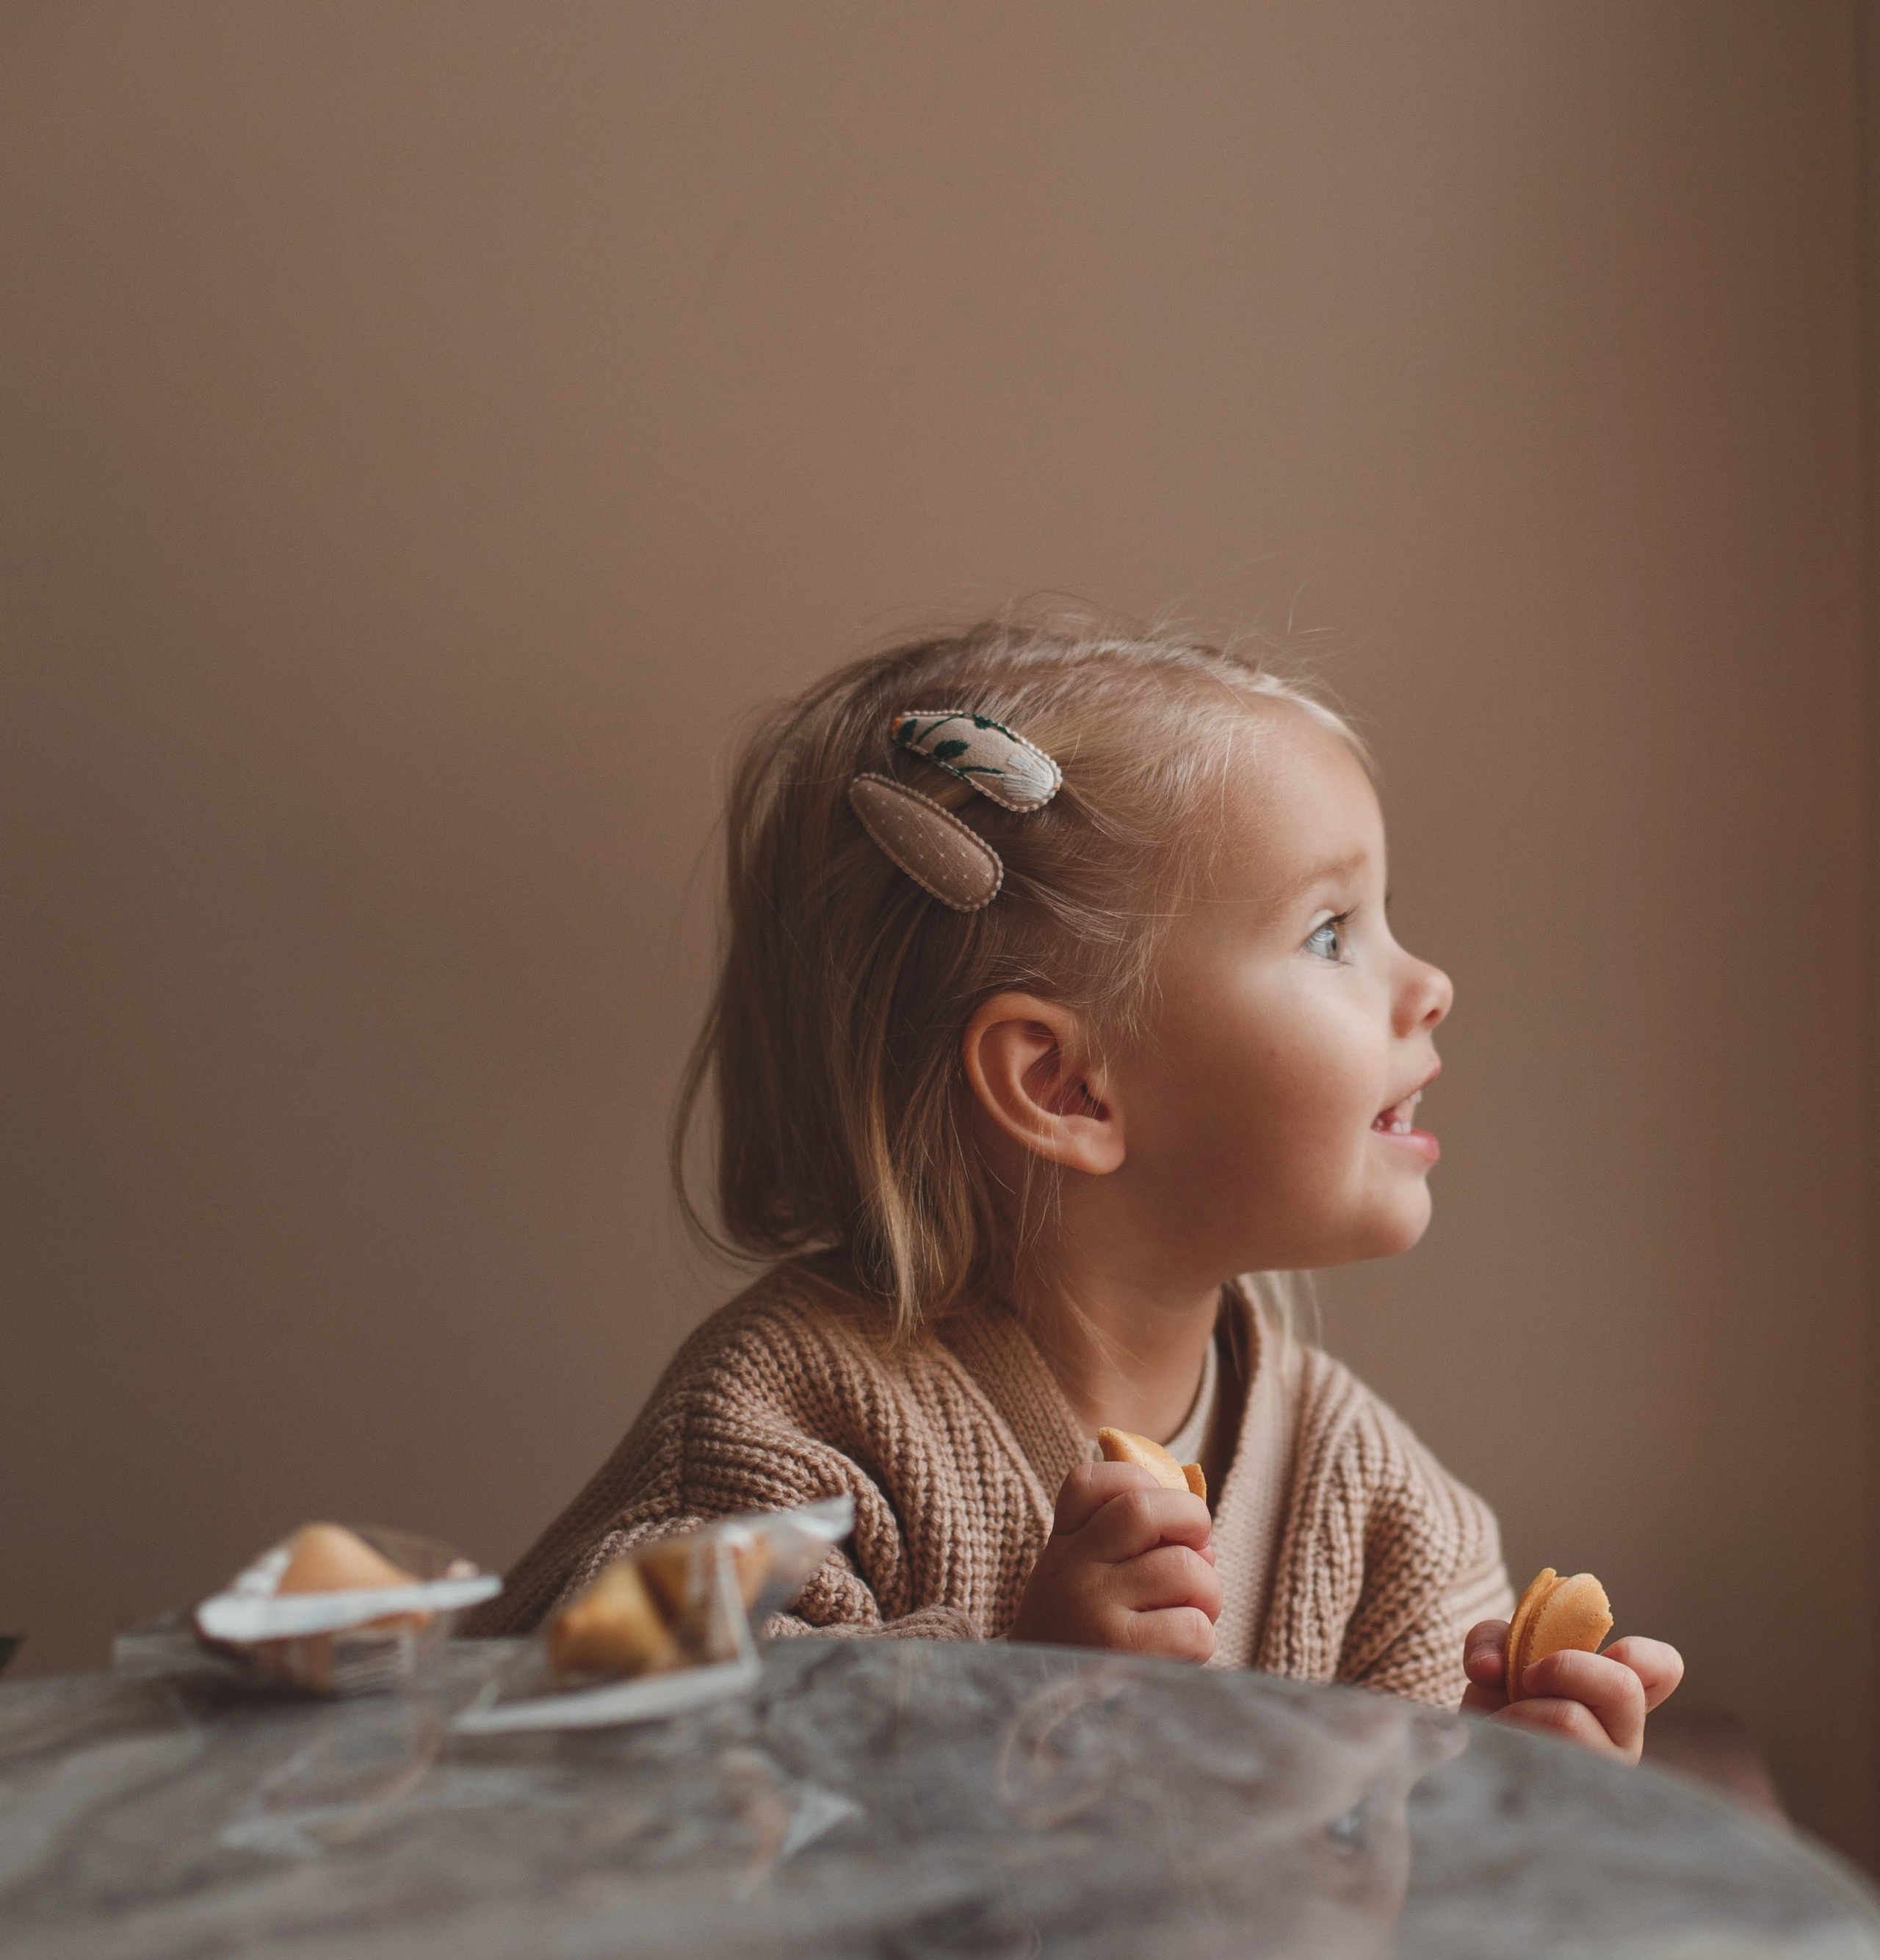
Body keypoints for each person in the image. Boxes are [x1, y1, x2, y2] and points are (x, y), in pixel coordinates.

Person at [480, 615, 1681, 1755]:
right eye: (1331, 933)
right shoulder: (789, 1419)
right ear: (1063, 1087)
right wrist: (1013, 1689)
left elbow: (1385, 1887)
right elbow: (614, 1732)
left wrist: (1508, 1786)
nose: (1431, 984)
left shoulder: (1373, 1503)